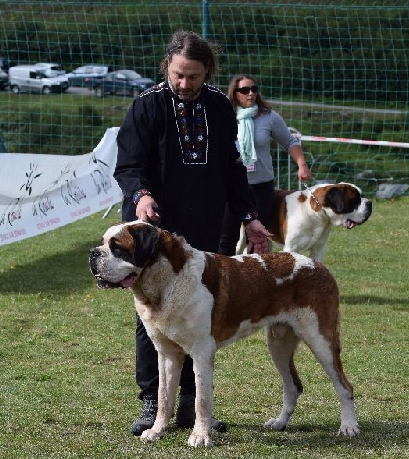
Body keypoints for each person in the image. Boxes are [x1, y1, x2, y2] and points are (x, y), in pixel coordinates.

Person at [113, 30, 272, 436]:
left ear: (207, 74)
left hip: (207, 225)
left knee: (200, 314)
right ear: (167, 65)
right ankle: (153, 402)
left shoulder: (220, 106)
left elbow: (233, 169)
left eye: (194, 77)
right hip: (152, 230)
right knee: (153, 308)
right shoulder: (146, 106)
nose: (185, 84)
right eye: (179, 74)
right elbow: (128, 166)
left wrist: (249, 216)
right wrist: (142, 196)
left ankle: (191, 404)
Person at [218, 74, 312, 255]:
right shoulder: (224, 116)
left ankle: (255, 278)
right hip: (232, 186)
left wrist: (302, 165)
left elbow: (290, 142)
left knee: (258, 237)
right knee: (227, 237)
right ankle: (225, 279)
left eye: (254, 89)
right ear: (235, 93)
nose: (250, 94)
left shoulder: (269, 117)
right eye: (245, 90)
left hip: (261, 186)